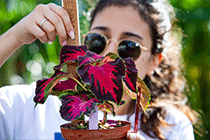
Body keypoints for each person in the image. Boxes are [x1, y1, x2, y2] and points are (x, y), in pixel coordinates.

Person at [0, 0, 197, 139]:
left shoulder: (171, 127)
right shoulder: (29, 108)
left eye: (129, 47)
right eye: (97, 40)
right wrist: (16, 36)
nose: (108, 53)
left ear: (155, 61)